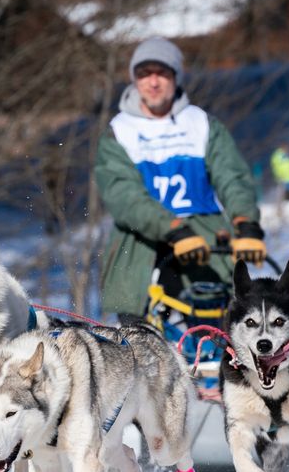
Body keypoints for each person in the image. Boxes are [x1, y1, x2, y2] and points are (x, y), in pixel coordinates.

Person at [95, 37, 267, 320]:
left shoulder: (201, 124)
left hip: (206, 243)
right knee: (139, 350)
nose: (153, 82)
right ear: (134, 80)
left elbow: (232, 177)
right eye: (144, 74)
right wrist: (174, 229)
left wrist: (246, 224)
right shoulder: (118, 132)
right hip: (140, 252)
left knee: (219, 338)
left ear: (175, 77)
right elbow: (124, 197)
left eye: (161, 73)